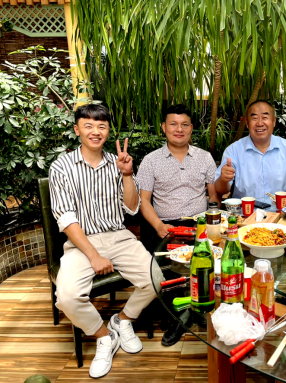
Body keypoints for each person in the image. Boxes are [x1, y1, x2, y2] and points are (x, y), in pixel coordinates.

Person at [49, 104, 168, 379]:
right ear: (77, 129)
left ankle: (122, 320)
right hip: (81, 242)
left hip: (119, 236)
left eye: (101, 126)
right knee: (66, 297)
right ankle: (104, 336)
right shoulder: (61, 167)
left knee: (156, 279)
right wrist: (93, 255)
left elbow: (132, 208)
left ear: (108, 131)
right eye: (88, 125)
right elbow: (66, 218)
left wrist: (127, 174)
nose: (95, 131)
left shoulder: (118, 162)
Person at [136, 104, 219, 246]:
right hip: (164, 226)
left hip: (198, 225)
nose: (179, 129)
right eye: (173, 124)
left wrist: (211, 223)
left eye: (184, 125)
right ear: (164, 127)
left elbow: (214, 196)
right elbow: (143, 200)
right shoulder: (150, 160)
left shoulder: (205, 157)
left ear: (191, 128)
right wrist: (159, 226)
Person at [214, 100, 286, 204]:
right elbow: (220, 190)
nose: (260, 123)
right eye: (254, 118)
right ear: (247, 123)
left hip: (280, 212)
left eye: (265, 117)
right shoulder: (233, 150)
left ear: (274, 121)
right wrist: (223, 179)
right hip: (245, 212)